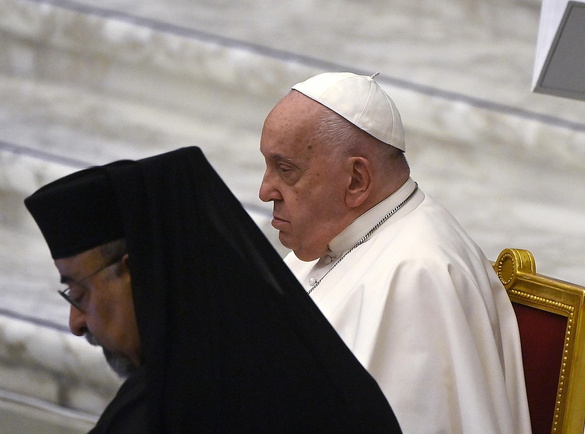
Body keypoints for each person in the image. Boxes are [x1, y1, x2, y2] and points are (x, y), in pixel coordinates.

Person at [24, 146, 401, 433]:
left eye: (78, 294)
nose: (76, 322)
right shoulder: (310, 368)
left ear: (134, 272)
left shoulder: (166, 410)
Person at [258, 72, 531, 433]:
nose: (265, 191)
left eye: (285, 170)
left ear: (356, 180)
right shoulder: (337, 236)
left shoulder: (421, 276)